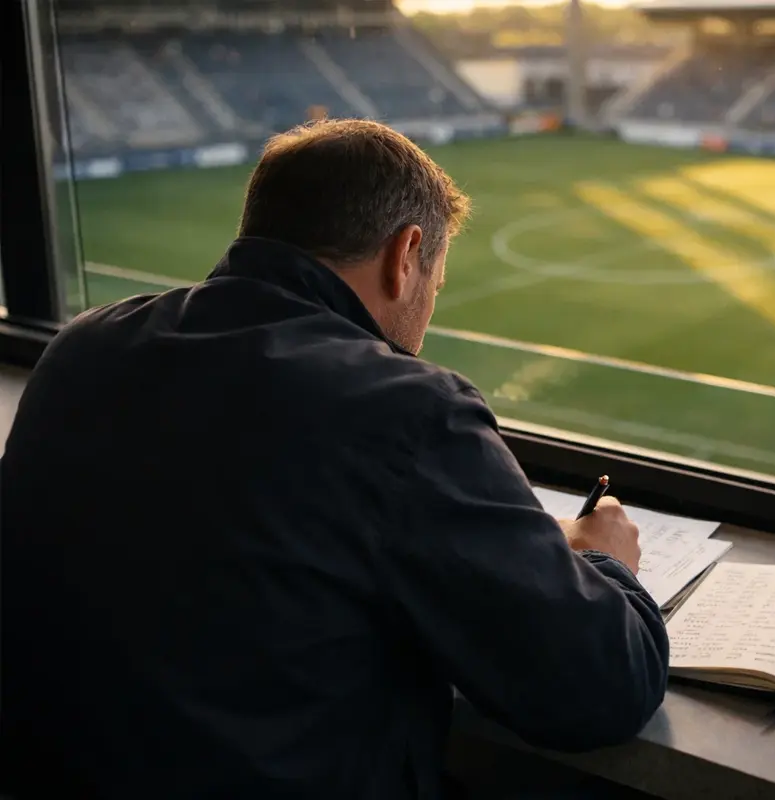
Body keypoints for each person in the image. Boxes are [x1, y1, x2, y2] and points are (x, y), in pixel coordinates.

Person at [0, 119, 670, 799]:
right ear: (405, 255)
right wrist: (605, 559)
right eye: (435, 279)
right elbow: (602, 688)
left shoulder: (80, 348)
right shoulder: (407, 410)